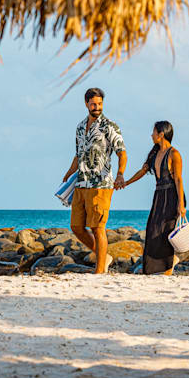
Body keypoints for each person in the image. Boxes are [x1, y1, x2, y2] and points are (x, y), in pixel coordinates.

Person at [62, 87, 126, 274]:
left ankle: (100, 270)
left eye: (99, 104)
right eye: (93, 104)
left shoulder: (109, 126)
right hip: (81, 183)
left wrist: (121, 173)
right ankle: (102, 256)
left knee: (98, 227)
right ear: (86, 104)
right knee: (76, 227)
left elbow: (122, 152)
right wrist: (69, 172)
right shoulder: (80, 127)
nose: (97, 107)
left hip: (101, 184)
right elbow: (78, 154)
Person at [120, 121, 186, 275]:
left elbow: (178, 179)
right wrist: (127, 183)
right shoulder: (155, 153)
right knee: (152, 230)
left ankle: (168, 268)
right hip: (159, 195)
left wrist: (181, 204)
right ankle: (153, 268)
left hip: (172, 196)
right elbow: (143, 171)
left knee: (166, 232)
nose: (152, 135)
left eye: (154, 132)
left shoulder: (174, 154)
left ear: (161, 134)